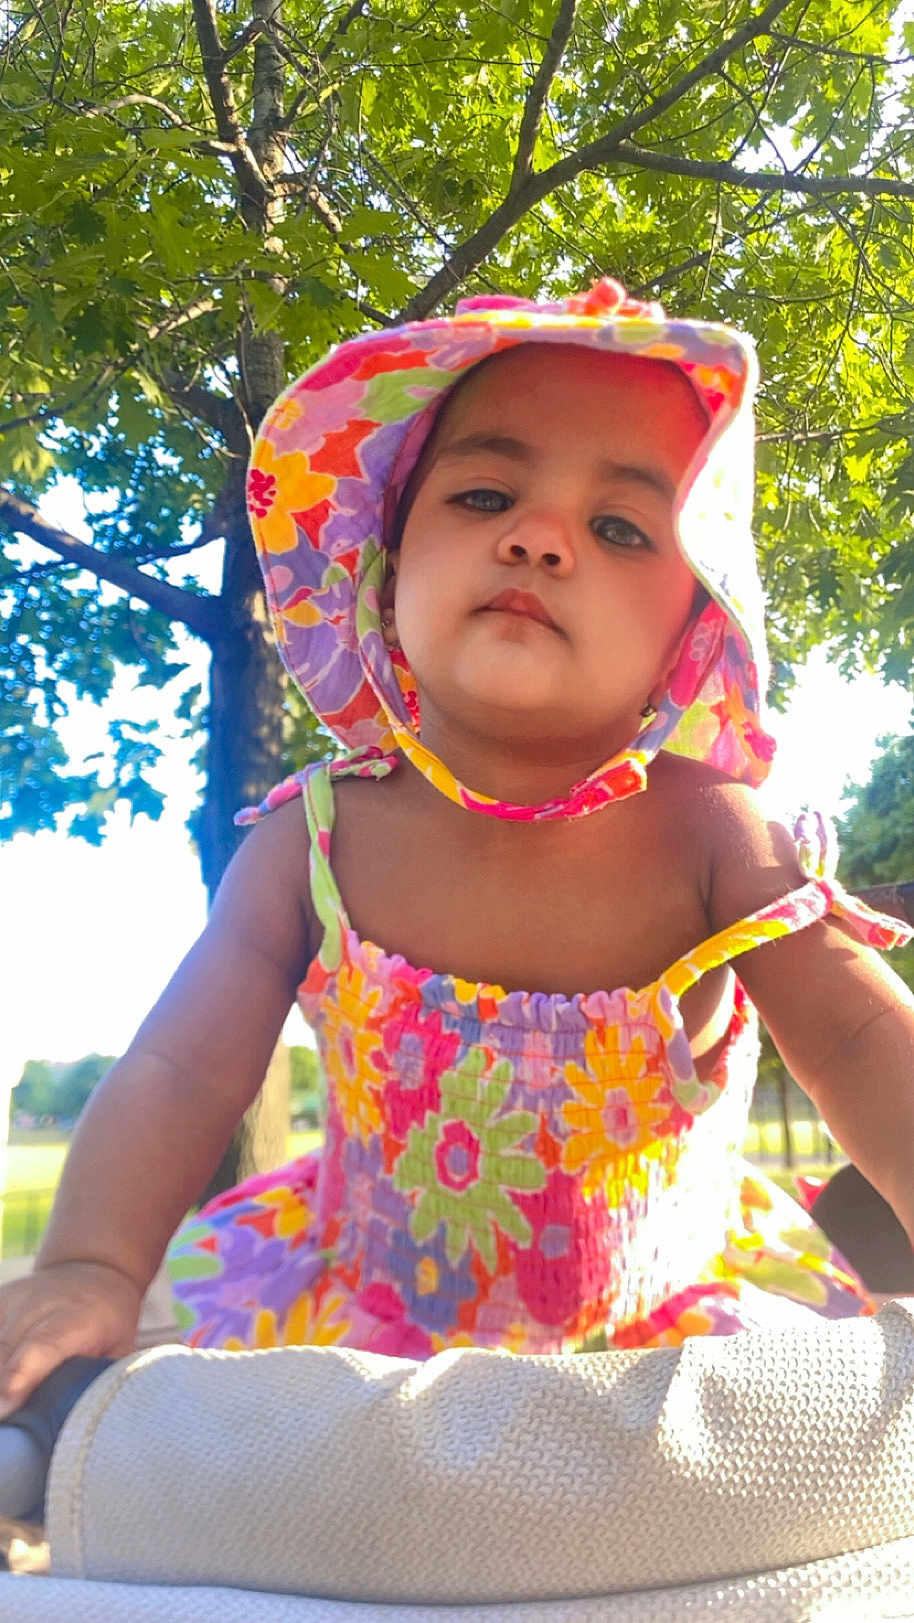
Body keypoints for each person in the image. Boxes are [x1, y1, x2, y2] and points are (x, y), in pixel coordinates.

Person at [2, 277, 914, 1413]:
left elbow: (862, 1040)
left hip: (658, 1354)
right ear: (383, 579)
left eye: (620, 526)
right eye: (484, 496)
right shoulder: (314, 837)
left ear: (691, 632)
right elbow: (179, 1070)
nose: (536, 539)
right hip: (352, 1341)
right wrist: (90, 1265)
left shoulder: (713, 836)